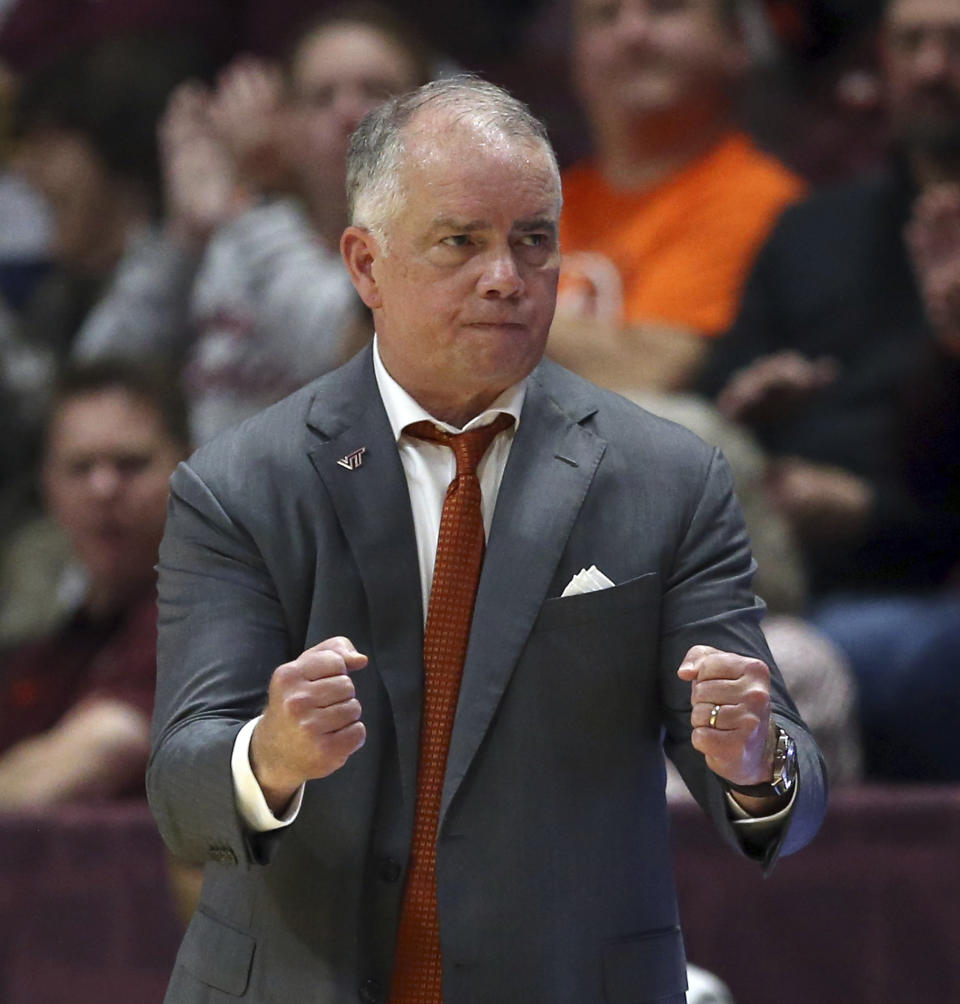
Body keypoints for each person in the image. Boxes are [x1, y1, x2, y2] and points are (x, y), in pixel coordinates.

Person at [147, 77, 826, 1003]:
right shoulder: (240, 487)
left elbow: (791, 789)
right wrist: (268, 756)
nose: (506, 274)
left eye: (534, 239)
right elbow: (182, 798)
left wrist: (757, 765)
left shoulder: (670, 480)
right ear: (365, 263)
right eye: (461, 241)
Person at [696, 0, 960, 779]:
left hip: (917, 585)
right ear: (882, 60)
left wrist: (868, 511)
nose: (933, 69)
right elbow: (719, 397)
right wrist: (753, 406)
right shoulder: (814, 232)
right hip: (795, 580)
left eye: (955, 44)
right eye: (912, 43)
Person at [74, 2, 433, 443]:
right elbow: (100, 371)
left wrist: (242, 205)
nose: (347, 114)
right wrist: (184, 238)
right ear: (286, 122)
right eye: (320, 97)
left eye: (377, 91)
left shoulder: (443, 250)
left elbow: (350, 354)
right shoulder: (231, 246)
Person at [547, 0, 805, 391]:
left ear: (736, 40)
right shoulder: (540, 199)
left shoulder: (761, 199)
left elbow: (651, 373)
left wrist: (465, 315)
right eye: (605, 15)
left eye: (665, 8)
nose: (632, 33)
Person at [0, 359, 190, 808]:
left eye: (130, 464)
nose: (103, 488)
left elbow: (100, 752)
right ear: (48, 486)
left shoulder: (209, 615)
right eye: (80, 467)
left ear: (188, 468)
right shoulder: (47, 656)